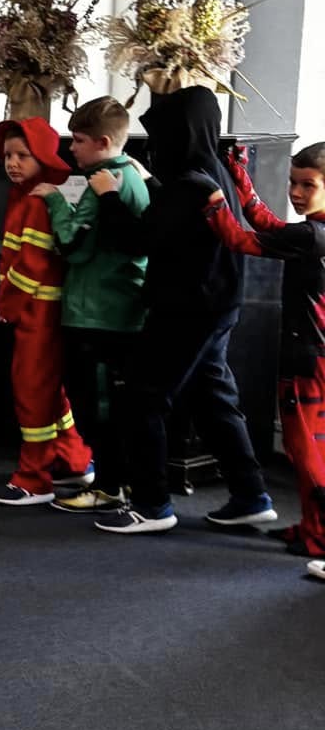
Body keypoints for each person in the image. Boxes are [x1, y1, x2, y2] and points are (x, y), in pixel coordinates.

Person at [92, 88, 277, 537]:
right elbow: (175, 220)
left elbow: (139, 239)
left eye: (162, 135)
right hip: (218, 303)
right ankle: (251, 496)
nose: (156, 146)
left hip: (185, 308)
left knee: (142, 398)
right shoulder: (213, 172)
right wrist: (153, 183)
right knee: (213, 397)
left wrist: (109, 195)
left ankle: (152, 504)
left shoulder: (187, 185)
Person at [203, 139, 325, 574]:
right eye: (293, 182)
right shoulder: (310, 232)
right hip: (312, 354)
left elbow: (239, 238)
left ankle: (320, 535)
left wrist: (212, 199)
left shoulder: (311, 236)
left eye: (307, 185)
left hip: (308, 358)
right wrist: (239, 176)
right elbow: (268, 223)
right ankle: (311, 526)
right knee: (307, 447)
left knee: (306, 450)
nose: (296, 192)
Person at [40, 97, 150, 515]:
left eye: (78, 140)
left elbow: (73, 246)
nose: (71, 148)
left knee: (95, 406)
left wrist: (54, 201)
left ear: (104, 142)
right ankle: (114, 481)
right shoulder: (131, 174)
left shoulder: (102, 182)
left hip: (98, 313)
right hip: (118, 308)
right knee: (107, 404)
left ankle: (108, 487)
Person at [0, 117, 94, 507]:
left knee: (32, 391)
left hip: (37, 311)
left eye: (22, 155)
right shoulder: (31, 194)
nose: (12, 163)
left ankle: (34, 479)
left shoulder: (36, 201)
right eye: (8, 156)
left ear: (43, 157)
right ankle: (75, 460)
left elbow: (31, 265)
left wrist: (6, 304)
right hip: (44, 310)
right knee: (51, 390)